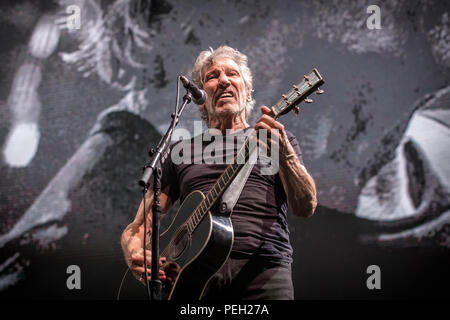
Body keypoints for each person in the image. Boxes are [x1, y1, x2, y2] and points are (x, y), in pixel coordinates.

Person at [120, 45, 317, 300]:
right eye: (212, 77)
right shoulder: (180, 151)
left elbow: (305, 207)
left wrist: (287, 156)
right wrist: (135, 253)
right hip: (190, 281)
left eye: (232, 74)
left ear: (247, 94)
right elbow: (139, 226)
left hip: (263, 273)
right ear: (202, 98)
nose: (223, 80)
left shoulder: (276, 140)